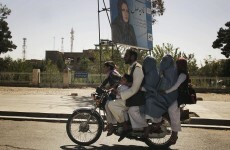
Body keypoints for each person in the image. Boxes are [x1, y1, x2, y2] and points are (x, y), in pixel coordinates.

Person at [108, 48, 147, 141]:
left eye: (126, 55)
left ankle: (125, 126)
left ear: (132, 57)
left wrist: (121, 95)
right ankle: (124, 125)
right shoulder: (131, 68)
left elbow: (135, 88)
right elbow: (129, 83)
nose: (124, 57)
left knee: (111, 104)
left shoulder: (137, 69)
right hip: (130, 97)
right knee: (113, 103)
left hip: (135, 98)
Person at [161, 57, 189, 145]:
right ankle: (173, 133)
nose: (176, 65)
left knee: (172, 111)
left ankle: (174, 135)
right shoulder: (179, 73)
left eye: (177, 64)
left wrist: (166, 92)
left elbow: (176, 86)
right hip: (176, 95)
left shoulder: (183, 75)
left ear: (181, 65)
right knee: (172, 112)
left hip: (180, 97)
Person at [100, 61, 121, 136]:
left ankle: (111, 125)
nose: (104, 68)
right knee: (106, 105)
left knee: (107, 105)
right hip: (116, 92)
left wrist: (108, 88)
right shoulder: (113, 72)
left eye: (105, 67)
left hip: (117, 93)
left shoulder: (112, 73)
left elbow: (117, 82)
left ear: (108, 67)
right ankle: (109, 123)